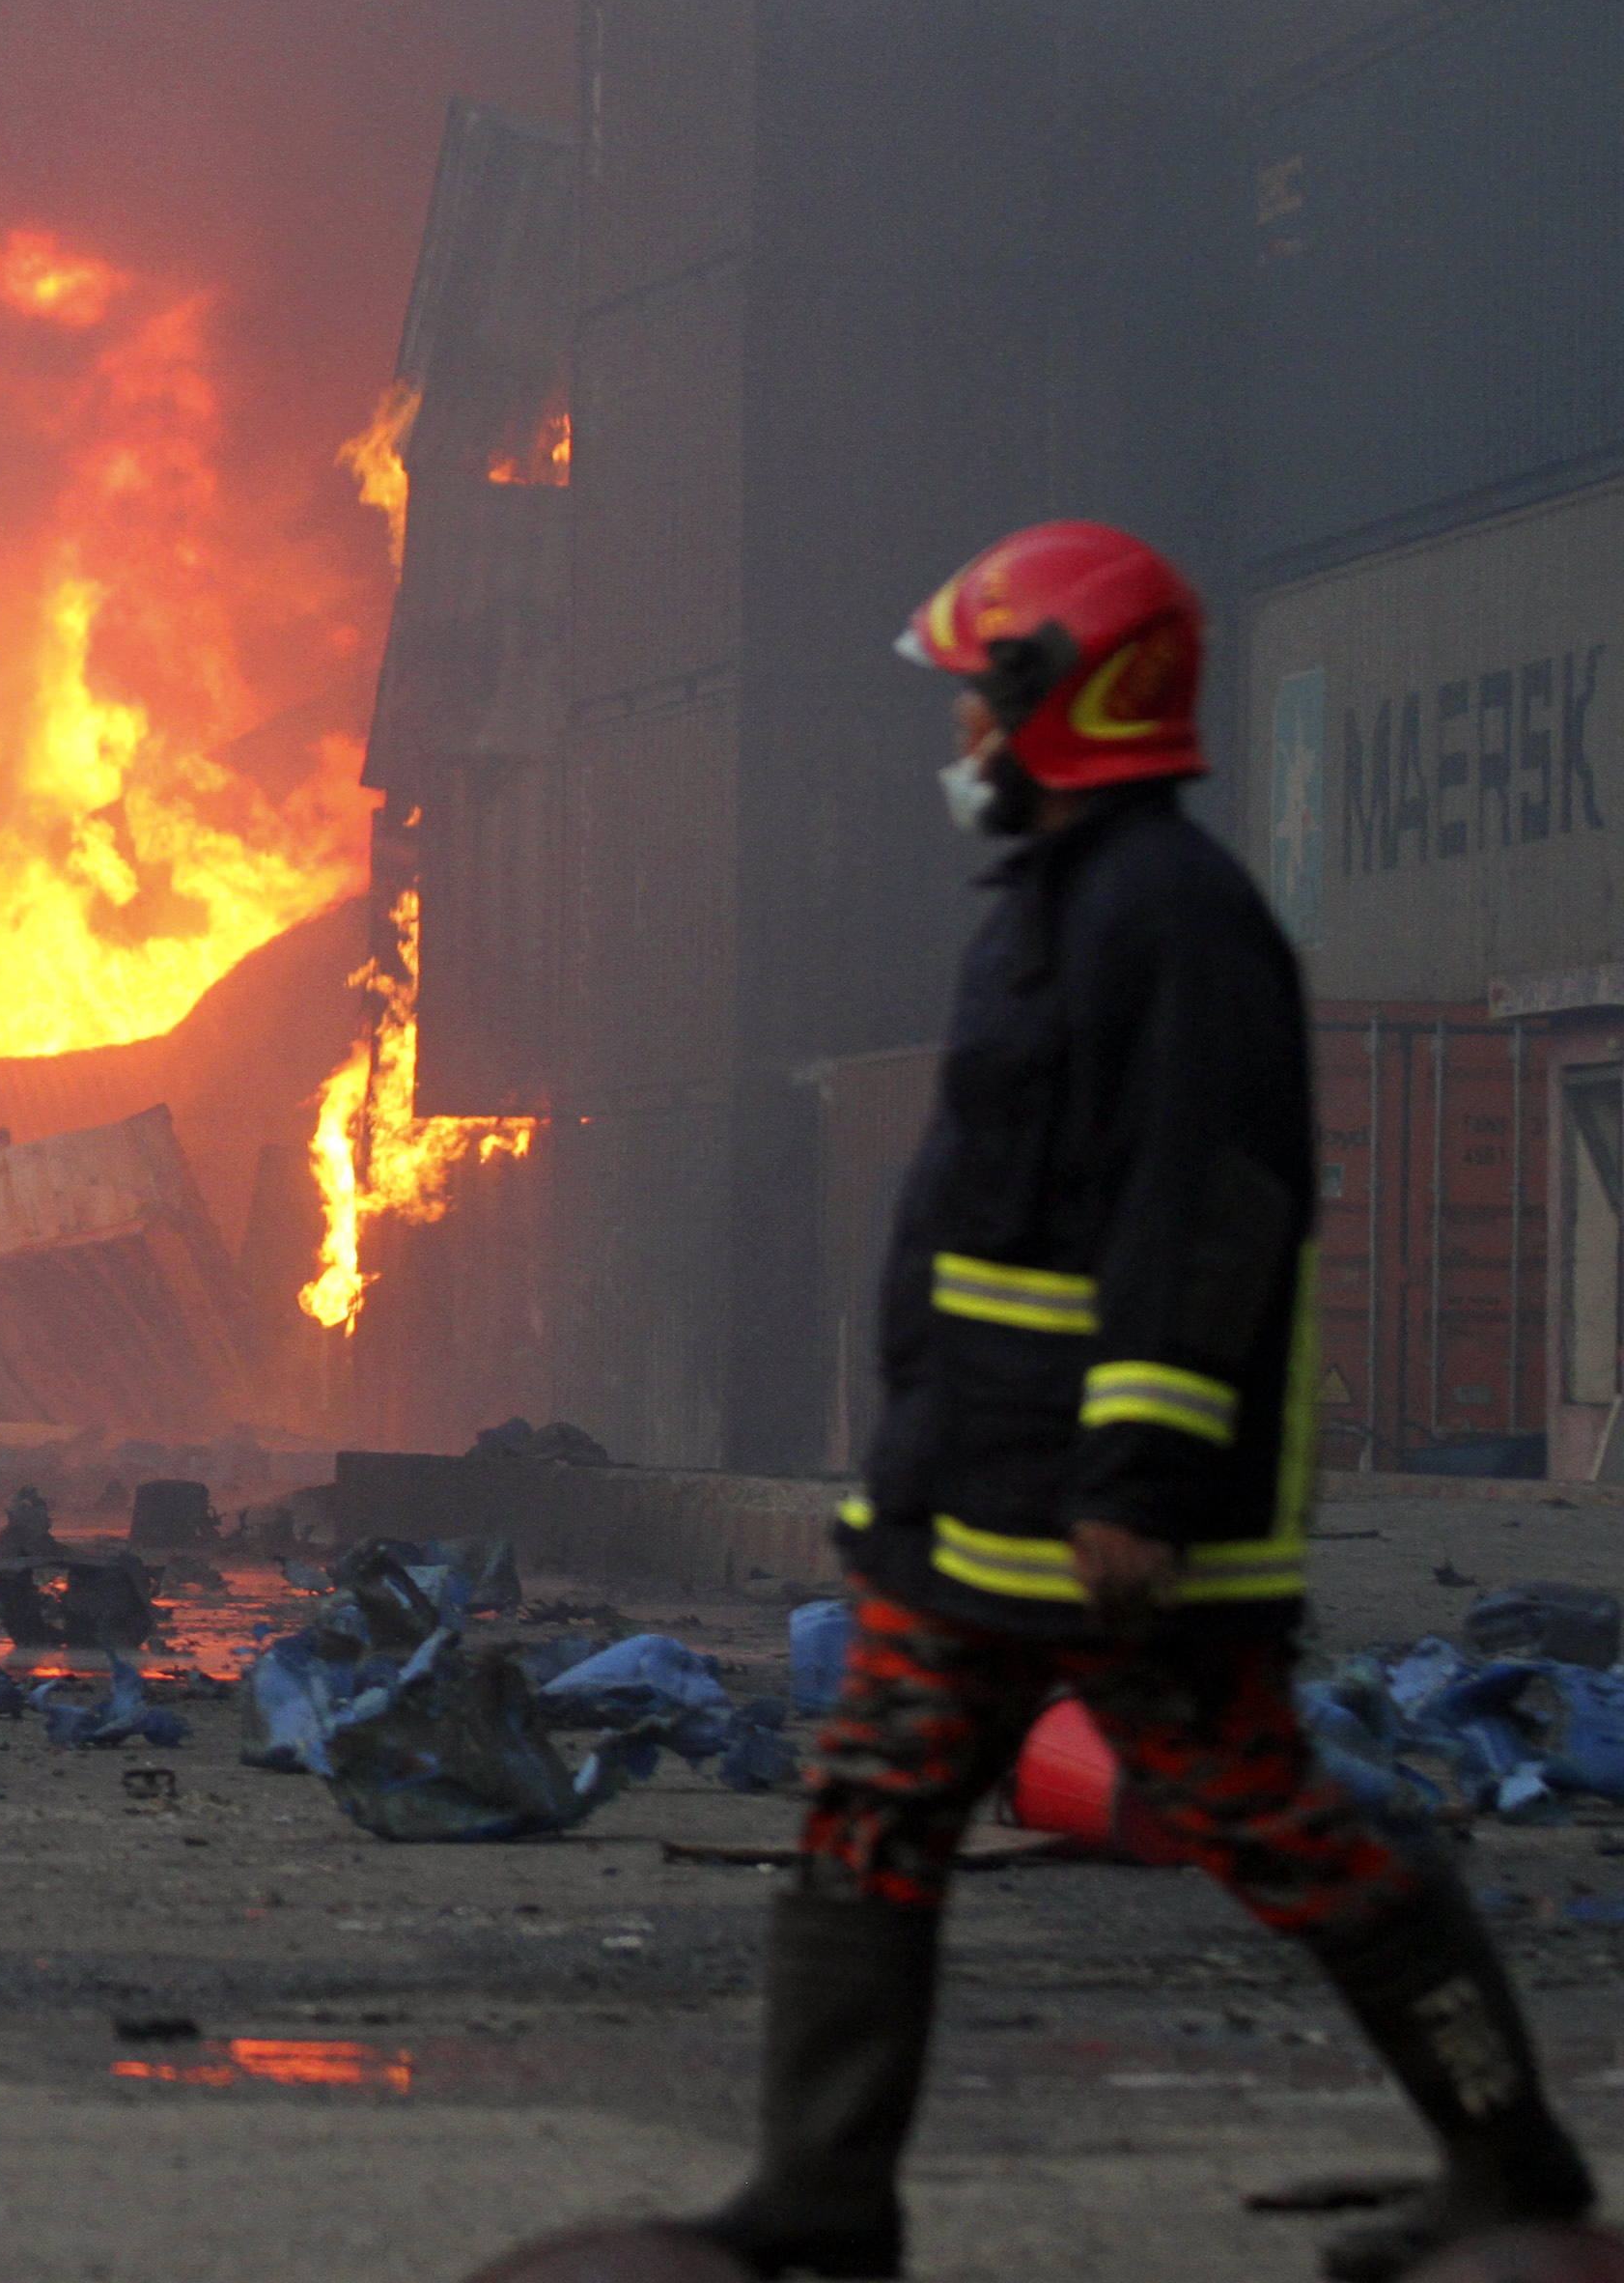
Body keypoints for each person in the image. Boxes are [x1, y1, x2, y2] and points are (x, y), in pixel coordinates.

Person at [677, 522, 1593, 2282]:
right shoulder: (1045, 909)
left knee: (1272, 1820)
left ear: (1068, 702)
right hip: (981, 1500)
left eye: (978, 705)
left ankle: (1513, 2163)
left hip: (1111, 1516)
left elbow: (1209, 1211)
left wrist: (1141, 1484)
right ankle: (822, 2193)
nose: (958, 744)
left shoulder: (1175, 921)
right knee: (872, 1802)